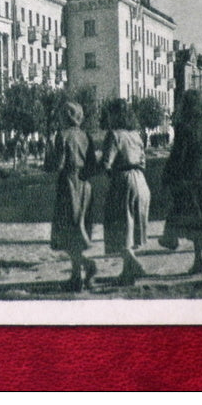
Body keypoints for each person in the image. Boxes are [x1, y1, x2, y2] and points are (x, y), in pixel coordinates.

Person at [160, 90, 202, 274]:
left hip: (189, 179)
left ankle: (198, 258)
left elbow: (178, 155)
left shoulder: (184, 126)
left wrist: (167, 176)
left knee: (192, 219)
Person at [99, 100, 150, 285]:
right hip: (141, 181)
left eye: (110, 113)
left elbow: (106, 162)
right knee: (131, 227)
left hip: (123, 181)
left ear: (115, 115)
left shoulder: (114, 135)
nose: (109, 117)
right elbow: (143, 161)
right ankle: (126, 273)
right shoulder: (136, 134)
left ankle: (135, 265)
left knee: (118, 226)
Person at [49, 101, 97, 292]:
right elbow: (93, 163)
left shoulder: (62, 135)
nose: (59, 118)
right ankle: (76, 276)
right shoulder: (86, 136)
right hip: (85, 184)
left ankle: (86, 266)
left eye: (61, 114)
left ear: (68, 115)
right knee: (79, 227)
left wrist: (50, 160)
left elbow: (59, 163)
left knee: (67, 229)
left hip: (68, 183)